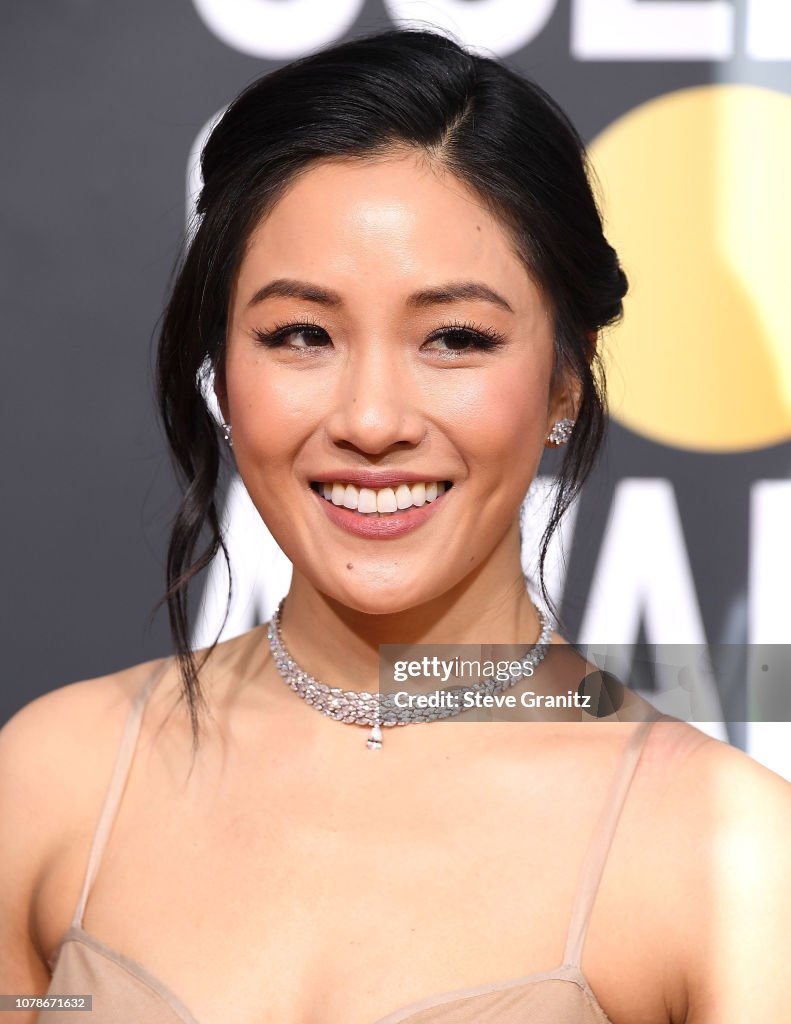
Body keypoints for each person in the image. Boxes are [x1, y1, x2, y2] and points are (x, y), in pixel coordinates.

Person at [1, 27, 789, 1024]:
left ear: (564, 384)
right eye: (301, 334)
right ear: (222, 369)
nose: (371, 419)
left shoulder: (731, 859)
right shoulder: (53, 777)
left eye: (454, 338)